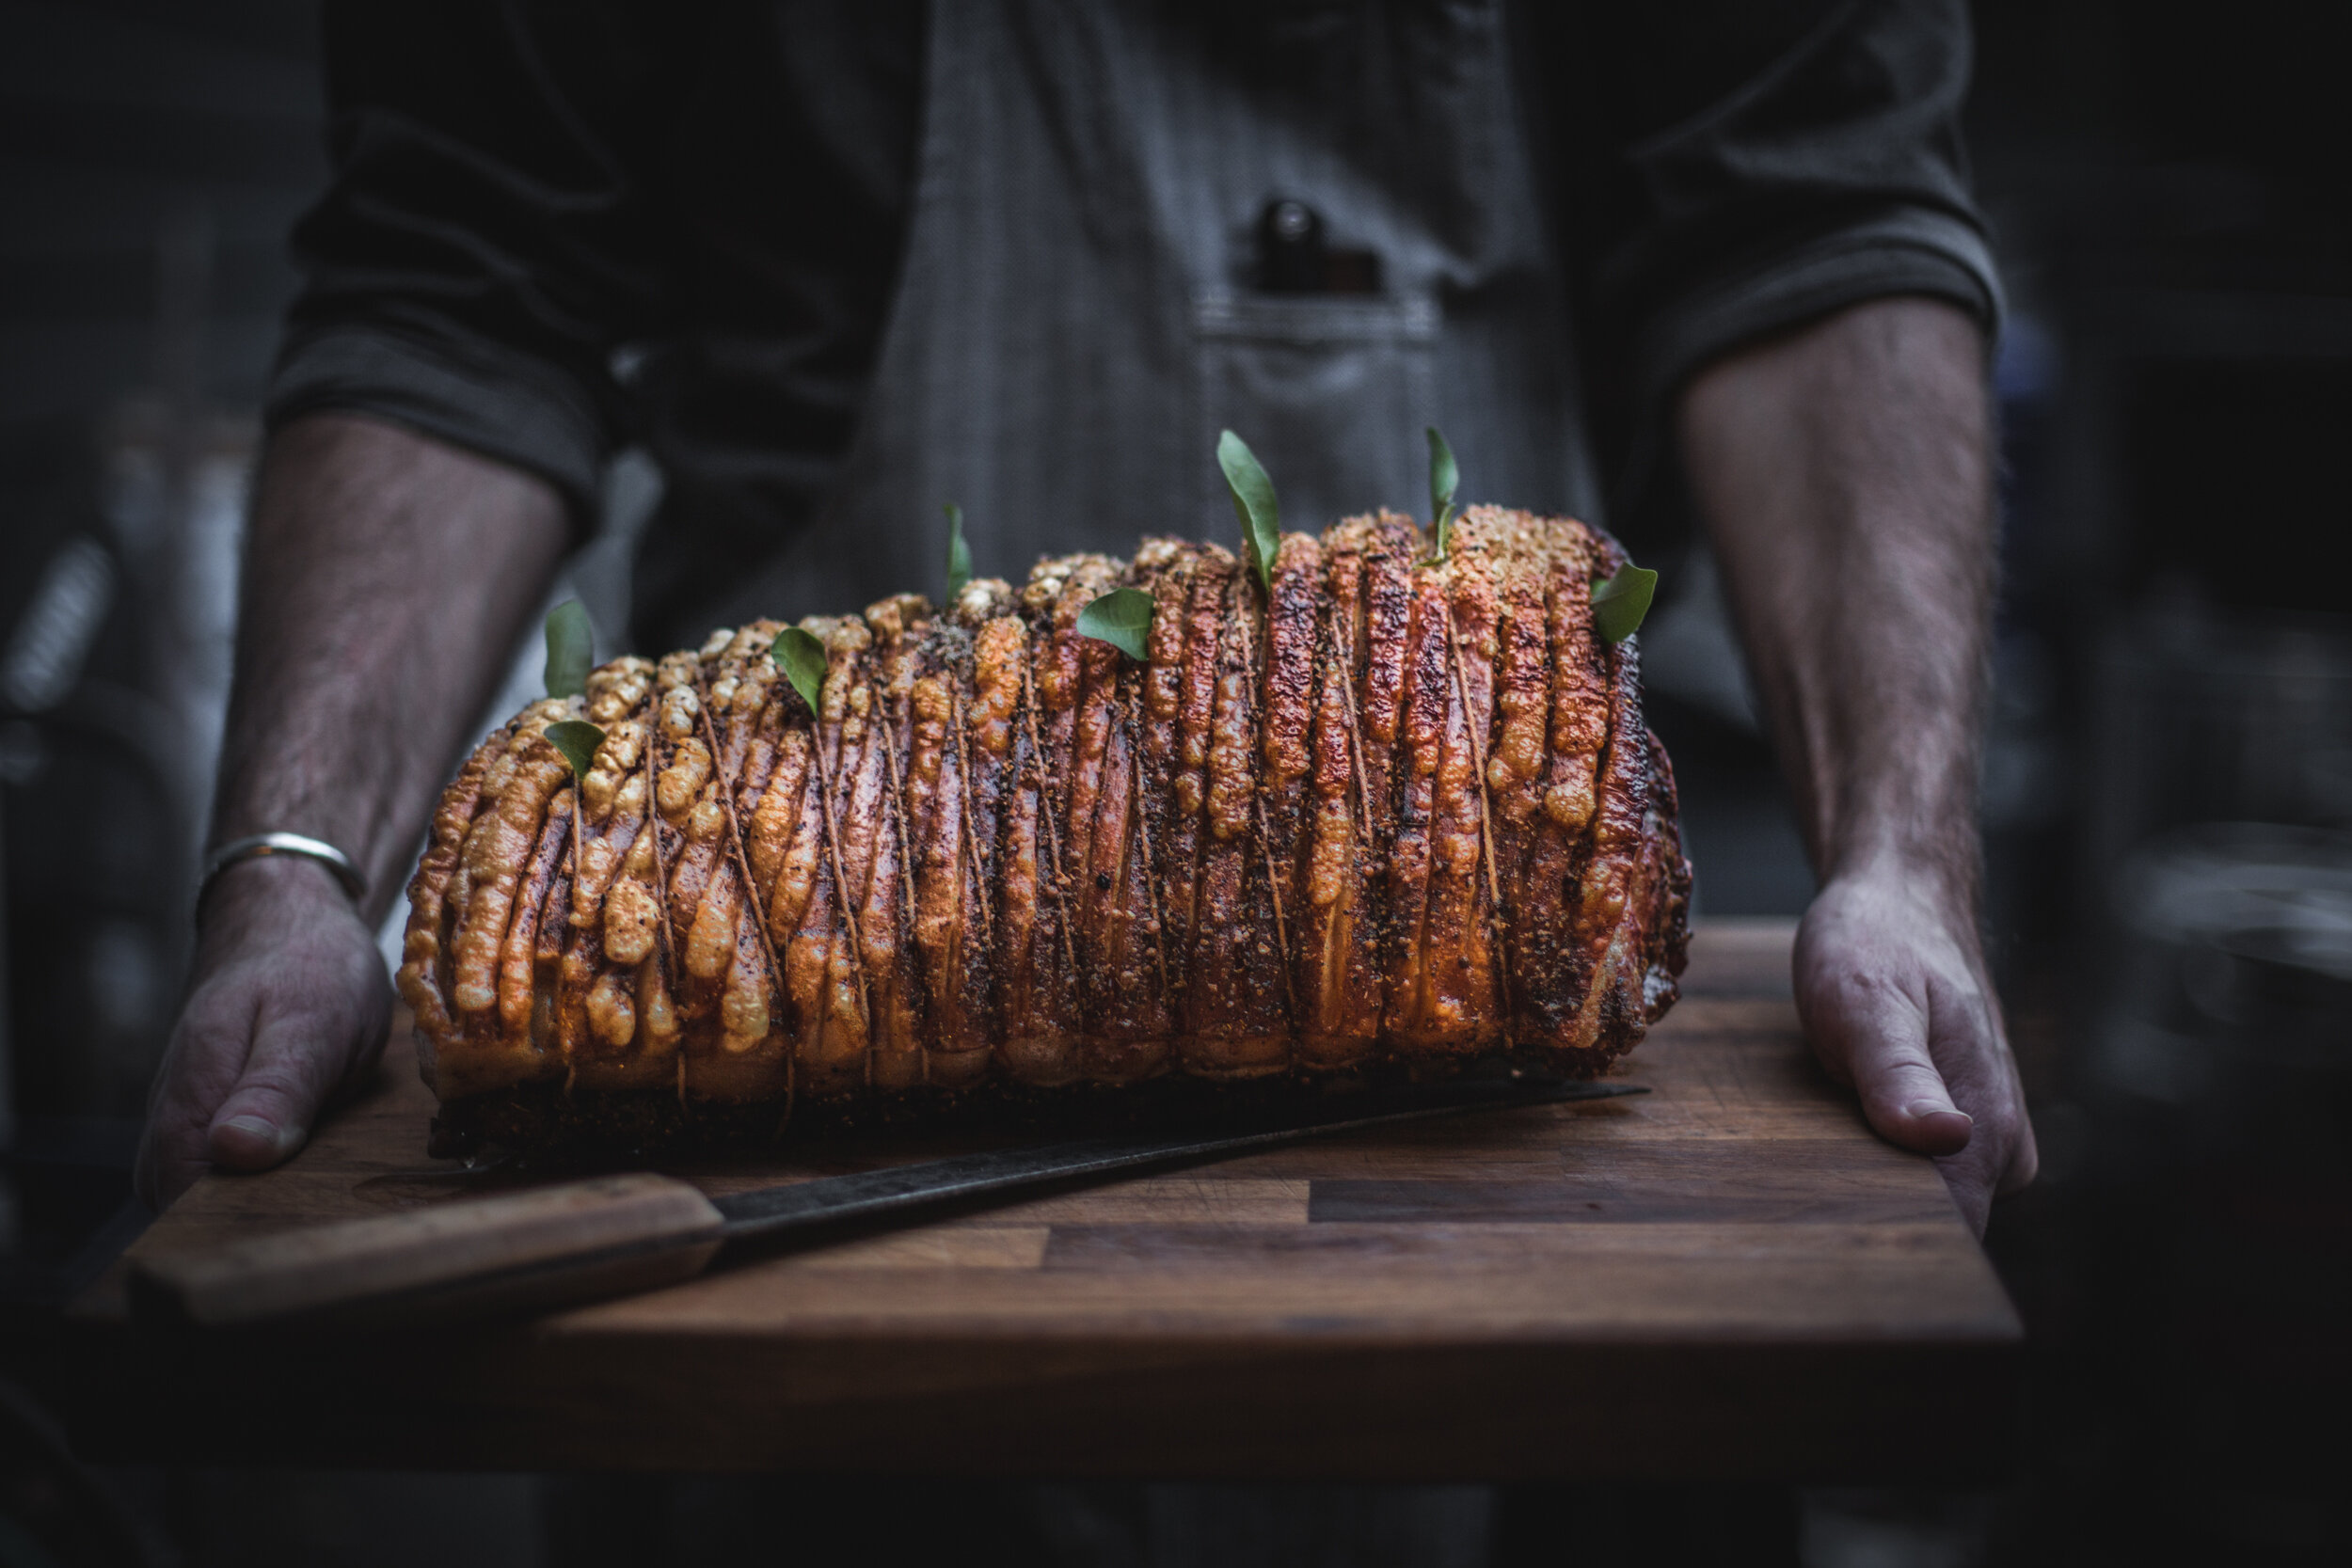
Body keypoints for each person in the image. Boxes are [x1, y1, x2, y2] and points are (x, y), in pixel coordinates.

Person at [135, 0, 2036, 1232]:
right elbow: (464, 271)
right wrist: (295, 873)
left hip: (1520, 1234)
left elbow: (1811, 220)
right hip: (789, 1379)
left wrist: (1898, 857)